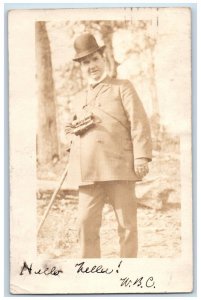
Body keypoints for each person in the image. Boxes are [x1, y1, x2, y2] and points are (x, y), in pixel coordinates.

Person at [65, 32, 152, 258]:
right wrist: (71, 139)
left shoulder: (122, 87)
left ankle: (128, 273)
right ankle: (91, 275)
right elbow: (71, 133)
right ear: (81, 67)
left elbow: (139, 122)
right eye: (86, 62)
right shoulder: (77, 98)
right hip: (88, 173)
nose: (91, 66)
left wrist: (141, 157)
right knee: (86, 225)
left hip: (119, 168)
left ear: (103, 59)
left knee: (127, 226)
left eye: (94, 59)